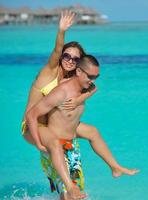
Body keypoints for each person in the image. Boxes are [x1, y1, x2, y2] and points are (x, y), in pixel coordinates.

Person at [22, 11, 138, 199]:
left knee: (92, 131)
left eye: (75, 59)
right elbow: (56, 50)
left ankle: (114, 167)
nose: (69, 60)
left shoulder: (74, 79)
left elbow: (93, 86)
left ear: (79, 66)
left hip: (55, 124)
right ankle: (69, 187)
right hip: (33, 124)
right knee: (53, 143)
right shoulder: (50, 72)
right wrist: (61, 31)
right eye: (66, 56)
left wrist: (78, 100)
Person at [26, 55, 99, 200]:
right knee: (68, 193)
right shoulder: (60, 91)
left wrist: (80, 98)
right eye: (90, 76)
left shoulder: (83, 89)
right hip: (54, 147)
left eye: (96, 76)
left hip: (71, 147)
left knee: (77, 195)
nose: (93, 80)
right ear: (79, 71)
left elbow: (94, 87)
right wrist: (39, 143)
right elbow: (31, 115)